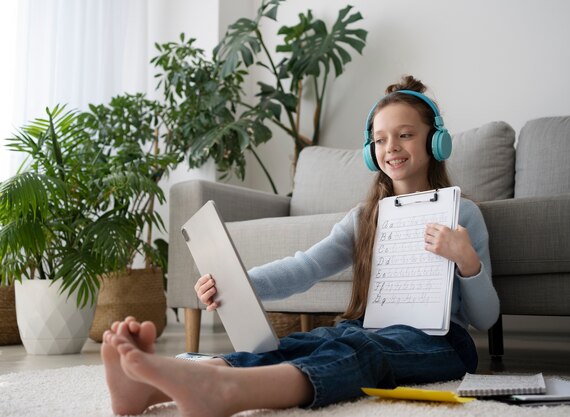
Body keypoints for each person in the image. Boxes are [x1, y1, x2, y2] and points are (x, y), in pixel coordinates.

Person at [101, 75, 500, 417]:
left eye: (405, 135)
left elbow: (485, 318)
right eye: (380, 139)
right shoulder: (365, 218)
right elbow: (306, 267)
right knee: (310, 341)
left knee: (360, 349)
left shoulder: (461, 214)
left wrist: (467, 262)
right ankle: (150, 388)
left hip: (443, 341)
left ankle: (228, 389)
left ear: (436, 142)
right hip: (373, 327)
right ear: (369, 151)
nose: (391, 146)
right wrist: (238, 284)